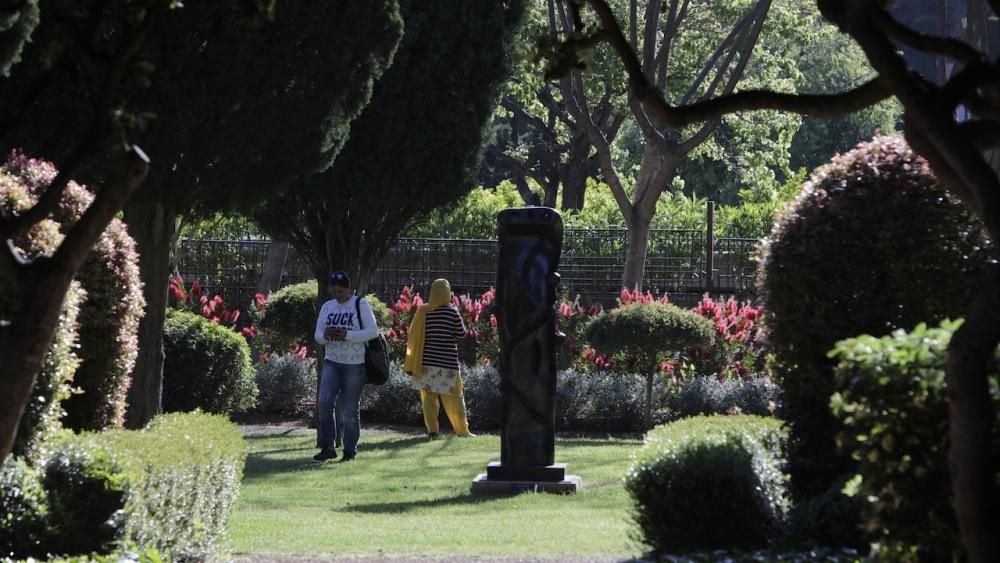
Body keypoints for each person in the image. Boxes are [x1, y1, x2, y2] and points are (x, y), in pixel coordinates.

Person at [313, 271, 378, 461]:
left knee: (350, 408)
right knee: (324, 402)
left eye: (341, 291)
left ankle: (350, 450)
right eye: (334, 291)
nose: (337, 295)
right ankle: (328, 446)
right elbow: (317, 334)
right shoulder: (327, 307)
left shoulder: (361, 304)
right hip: (332, 361)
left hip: (354, 364)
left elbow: (372, 332)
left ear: (349, 288)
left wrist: (346, 335)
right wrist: (325, 337)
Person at [403, 278, 475, 439]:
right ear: (448, 293)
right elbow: (461, 334)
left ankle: (433, 431)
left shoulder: (423, 311)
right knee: (455, 398)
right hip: (447, 363)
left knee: (429, 399)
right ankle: (463, 431)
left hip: (426, 363)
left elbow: (413, 334)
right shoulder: (452, 311)